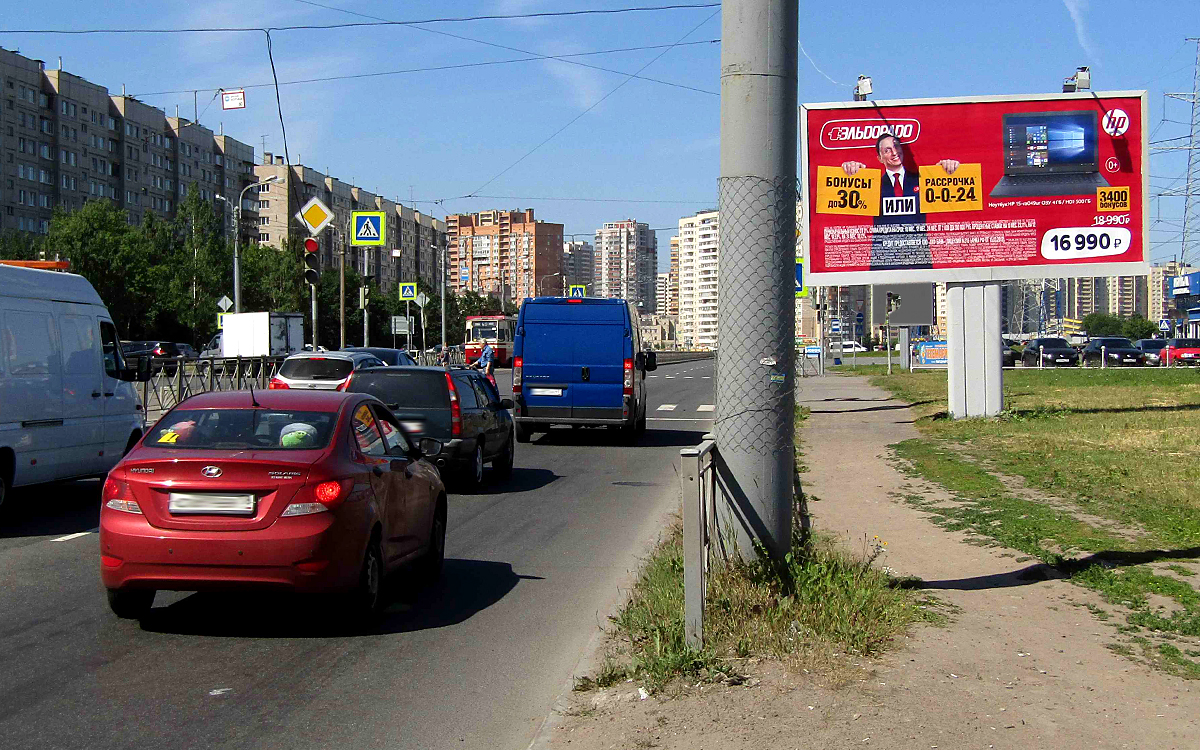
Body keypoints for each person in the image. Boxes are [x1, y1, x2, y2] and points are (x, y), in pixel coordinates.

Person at [840, 134, 960, 270]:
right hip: (885, 262)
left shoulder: (922, 179)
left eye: (896, 146)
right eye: (887, 150)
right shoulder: (873, 185)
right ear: (879, 158)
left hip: (918, 262)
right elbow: (846, 194)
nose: (894, 152)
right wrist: (851, 171)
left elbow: (946, 187)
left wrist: (947, 169)